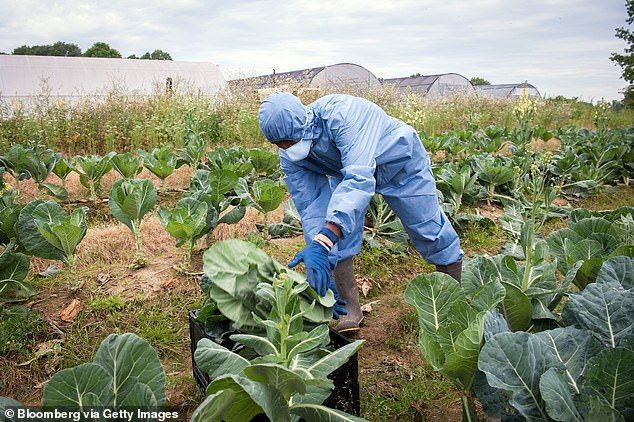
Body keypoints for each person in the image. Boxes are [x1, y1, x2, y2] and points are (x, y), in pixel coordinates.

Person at [258, 92, 463, 332]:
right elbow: (312, 204)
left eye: (289, 141)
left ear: (301, 123)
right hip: (347, 175)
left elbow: (359, 177)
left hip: (400, 163)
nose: (286, 148)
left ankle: (453, 302)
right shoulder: (291, 157)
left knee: (428, 227)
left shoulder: (341, 115)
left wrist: (324, 240)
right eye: (278, 144)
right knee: (334, 236)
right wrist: (322, 253)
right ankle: (350, 308)